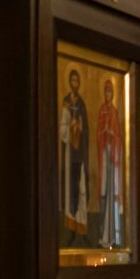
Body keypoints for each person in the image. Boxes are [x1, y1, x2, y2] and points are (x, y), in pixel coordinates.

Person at [60, 68, 89, 238]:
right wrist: (71, 127)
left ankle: (80, 227)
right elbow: (62, 131)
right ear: (69, 82)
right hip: (70, 154)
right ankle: (70, 229)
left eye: (77, 81)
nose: (75, 84)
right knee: (70, 187)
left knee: (80, 188)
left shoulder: (82, 104)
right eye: (73, 80)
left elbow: (86, 131)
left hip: (79, 154)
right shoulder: (65, 103)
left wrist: (81, 128)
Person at [97, 78, 124, 249]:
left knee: (112, 193)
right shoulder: (102, 111)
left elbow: (119, 137)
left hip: (112, 157)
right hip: (104, 156)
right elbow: (97, 134)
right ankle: (103, 236)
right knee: (104, 193)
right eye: (106, 91)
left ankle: (113, 236)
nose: (108, 94)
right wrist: (103, 132)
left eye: (110, 91)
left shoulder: (114, 112)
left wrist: (112, 134)